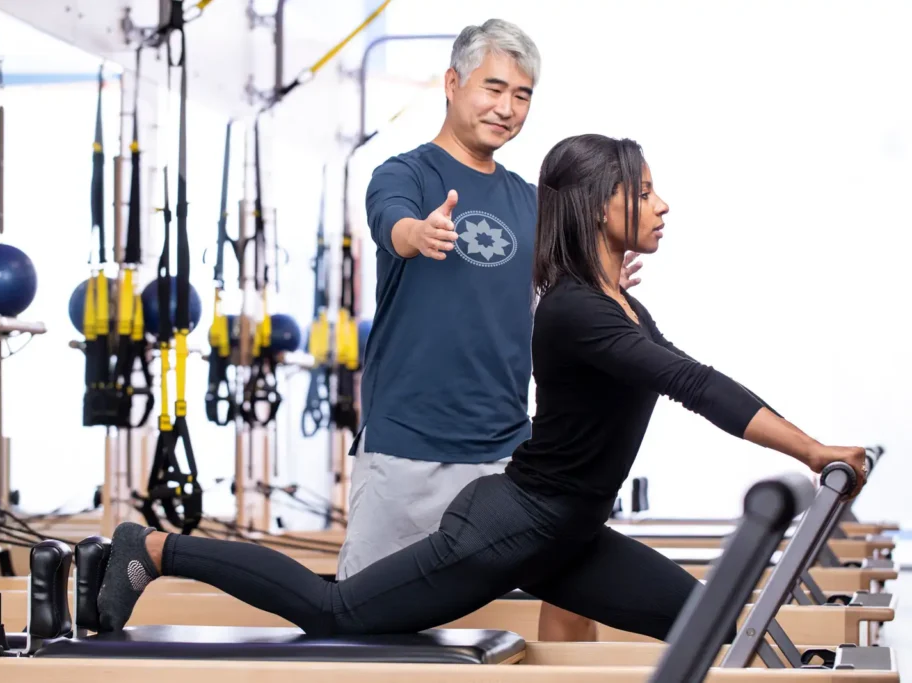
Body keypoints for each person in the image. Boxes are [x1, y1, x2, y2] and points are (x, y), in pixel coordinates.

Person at [96, 133, 868, 640]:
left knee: (714, 620)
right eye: (644, 191)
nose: (662, 205)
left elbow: (683, 374)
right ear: (602, 207)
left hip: (568, 533)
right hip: (511, 528)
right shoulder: (576, 314)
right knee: (335, 612)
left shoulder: (615, 302)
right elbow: (691, 383)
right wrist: (812, 448)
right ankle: (157, 547)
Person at [345, 17, 639, 642]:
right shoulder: (406, 175)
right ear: (452, 84)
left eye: (522, 95)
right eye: (493, 88)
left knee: (574, 592)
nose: (507, 108)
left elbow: (575, 277)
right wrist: (416, 235)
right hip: (407, 448)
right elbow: (391, 222)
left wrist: (604, 278)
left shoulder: (533, 202)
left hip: (508, 454)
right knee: (367, 628)